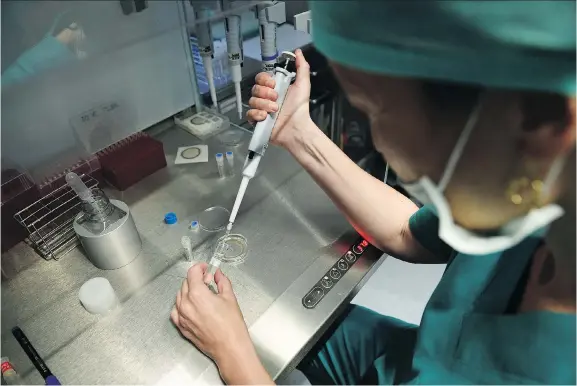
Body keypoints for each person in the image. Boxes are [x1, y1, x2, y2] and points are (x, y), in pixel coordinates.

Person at [171, 1, 576, 384]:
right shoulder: (526, 182)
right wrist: (297, 131)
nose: (378, 140)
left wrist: (233, 354)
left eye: (376, 110)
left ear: (538, 119)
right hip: (404, 358)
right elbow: (407, 232)